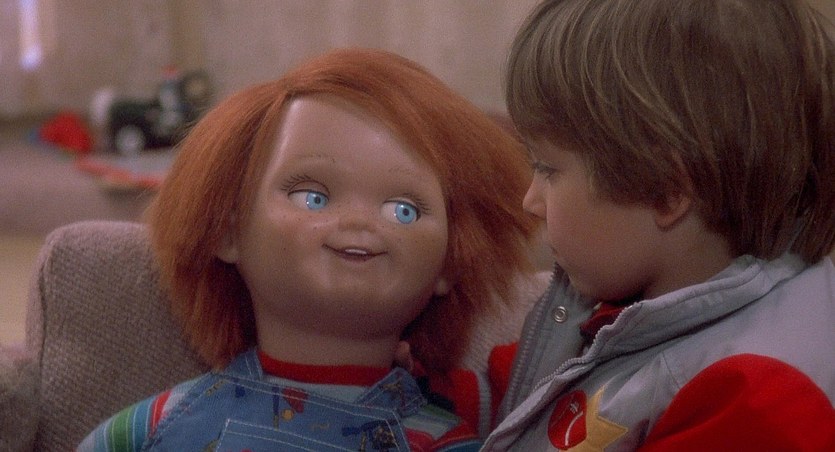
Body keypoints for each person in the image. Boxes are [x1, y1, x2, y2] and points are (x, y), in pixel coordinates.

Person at [78, 48, 540, 451]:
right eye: (312, 197)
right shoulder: (160, 425)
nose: (358, 222)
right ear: (227, 231)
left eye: (404, 210)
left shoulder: (448, 441)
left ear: (452, 261)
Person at [482, 0, 835, 450]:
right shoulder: (640, 283)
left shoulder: (753, 401)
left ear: (665, 192)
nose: (530, 201)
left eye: (547, 169)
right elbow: (539, 393)